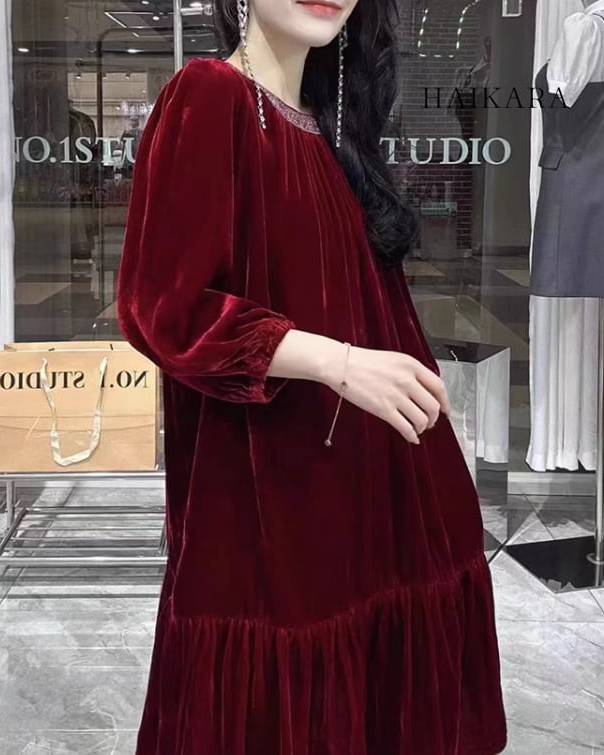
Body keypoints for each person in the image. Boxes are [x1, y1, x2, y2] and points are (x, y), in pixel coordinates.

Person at [117, 0, 508, 752]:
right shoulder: (210, 95)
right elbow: (162, 307)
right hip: (275, 492)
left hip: (374, 483)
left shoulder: (325, 129)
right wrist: (337, 361)